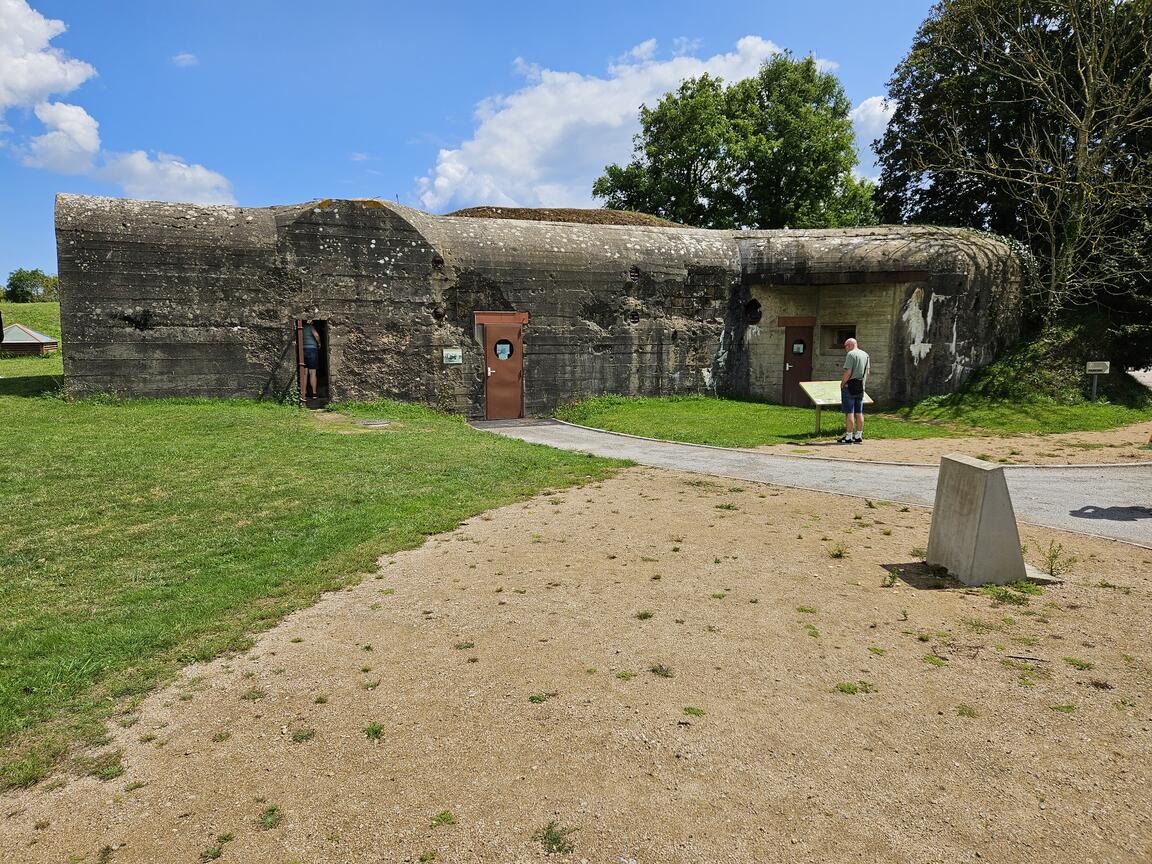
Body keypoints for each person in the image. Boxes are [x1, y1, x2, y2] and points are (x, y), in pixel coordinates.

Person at [838, 337, 869, 444]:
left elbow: (848, 371)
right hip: (860, 386)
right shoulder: (865, 354)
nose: (845, 349)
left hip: (850, 386)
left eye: (845, 346)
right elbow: (867, 372)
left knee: (849, 412)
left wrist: (842, 383)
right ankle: (859, 435)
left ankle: (848, 436)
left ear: (849, 345)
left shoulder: (851, 355)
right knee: (859, 412)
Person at [301, 320, 321, 398]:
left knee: (305, 373)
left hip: (304, 350)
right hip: (312, 350)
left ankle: (304, 393)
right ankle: (314, 393)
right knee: (312, 372)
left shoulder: (301, 328)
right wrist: (319, 343)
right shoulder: (310, 327)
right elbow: (316, 335)